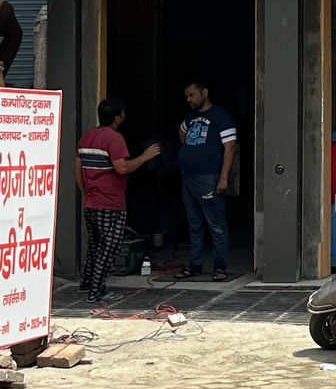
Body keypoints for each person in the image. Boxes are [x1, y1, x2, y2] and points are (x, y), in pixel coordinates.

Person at [75, 98, 159, 302]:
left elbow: (78, 169)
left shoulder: (87, 137)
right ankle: (97, 291)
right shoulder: (114, 138)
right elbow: (122, 168)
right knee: (109, 246)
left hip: (91, 202)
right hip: (110, 203)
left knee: (95, 245)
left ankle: (87, 282)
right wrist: (145, 157)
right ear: (119, 117)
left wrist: (86, 192)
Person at [178, 81, 237, 281]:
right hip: (188, 177)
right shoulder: (191, 117)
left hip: (209, 177)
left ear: (205, 93)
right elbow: (181, 131)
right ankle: (194, 266)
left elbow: (230, 148)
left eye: (192, 95)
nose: (189, 100)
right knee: (194, 224)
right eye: (187, 96)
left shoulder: (221, 116)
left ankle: (220, 268)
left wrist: (223, 178)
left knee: (216, 224)